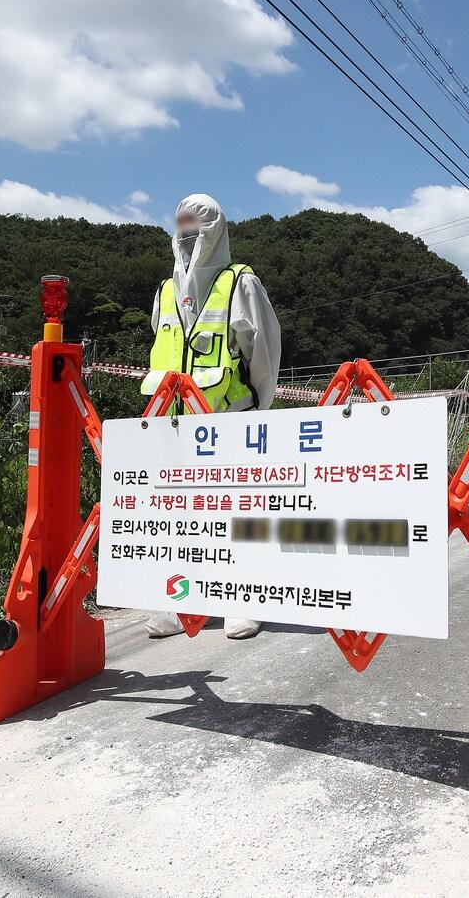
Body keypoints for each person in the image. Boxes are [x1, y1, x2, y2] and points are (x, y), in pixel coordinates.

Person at [142, 193, 282, 639]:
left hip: (229, 423)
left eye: (195, 224)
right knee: (179, 517)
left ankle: (246, 600)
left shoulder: (241, 282)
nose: (185, 233)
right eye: (180, 223)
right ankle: (177, 602)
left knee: (237, 516)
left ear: (214, 227)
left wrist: (259, 406)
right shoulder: (166, 291)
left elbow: (264, 350)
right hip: (175, 427)